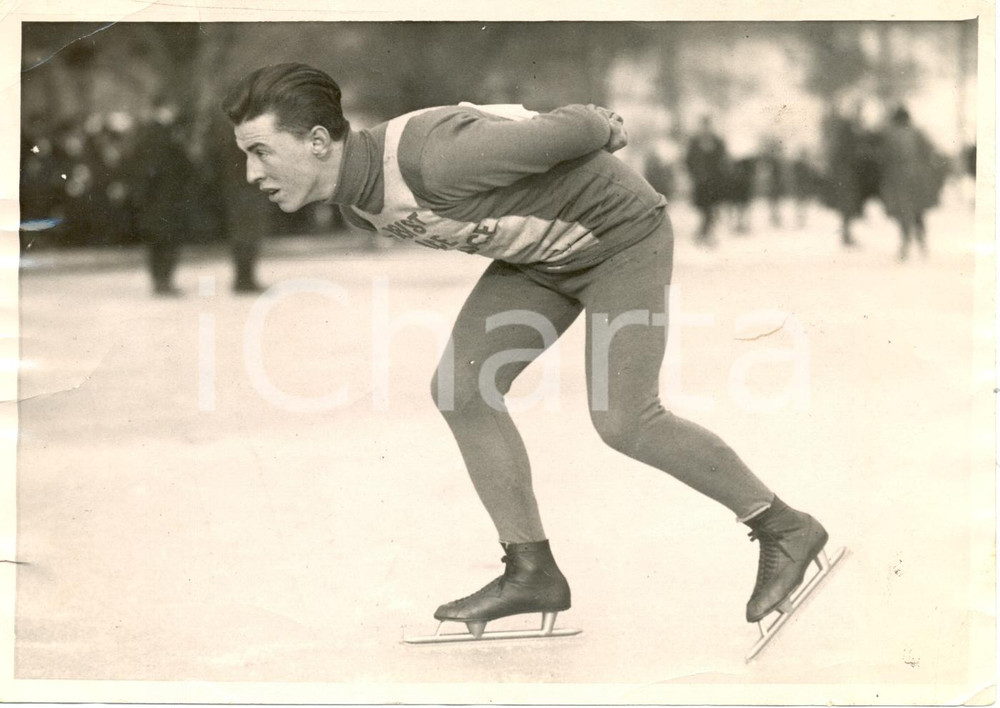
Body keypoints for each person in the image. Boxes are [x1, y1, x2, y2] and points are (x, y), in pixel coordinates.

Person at [222, 63, 832, 637]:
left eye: (261, 151)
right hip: (543, 260)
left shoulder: (435, 156)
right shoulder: (358, 204)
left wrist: (605, 126)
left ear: (319, 141)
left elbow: (580, 125)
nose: (252, 174)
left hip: (619, 239)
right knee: (462, 389)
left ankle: (785, 525)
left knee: (626, 420)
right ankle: (532, 570)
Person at [876, 106, 946, 262]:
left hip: (898, 179)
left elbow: (883, 157)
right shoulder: (917, 133)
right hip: (917, 179)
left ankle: (906, 244)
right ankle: (921, 244)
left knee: (903, 213)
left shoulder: (890, 135)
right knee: (918, 212)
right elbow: (930, 151)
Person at [684, 116, 729, 245]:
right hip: (701, 182)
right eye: (703, 125)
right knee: (705, 210)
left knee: (712, 209)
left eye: (708, 125)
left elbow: (724, 160)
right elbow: (688, 160)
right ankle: (704, 234)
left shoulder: (718, 141)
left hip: (715, 182)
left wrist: (723, 176)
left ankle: (704, 234)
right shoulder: (694, 142)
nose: (706, 128)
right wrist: (694, 175)